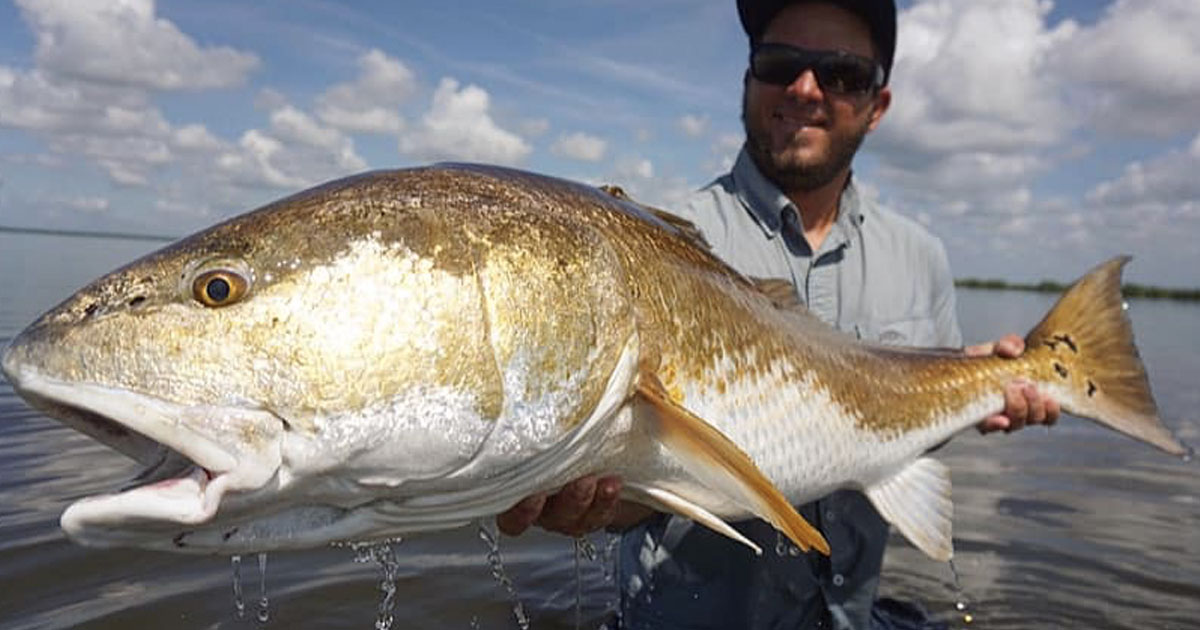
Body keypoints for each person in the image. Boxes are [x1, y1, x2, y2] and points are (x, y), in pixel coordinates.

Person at [498, 1, 1060, 628]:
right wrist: (597, 495)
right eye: (779, 63)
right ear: (747, 78)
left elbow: (905, 413)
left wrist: (981, 393)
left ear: (879, 106)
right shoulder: (660, 246)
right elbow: (641, 474)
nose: (805, 88)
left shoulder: (920, 256)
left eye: (842, 74)